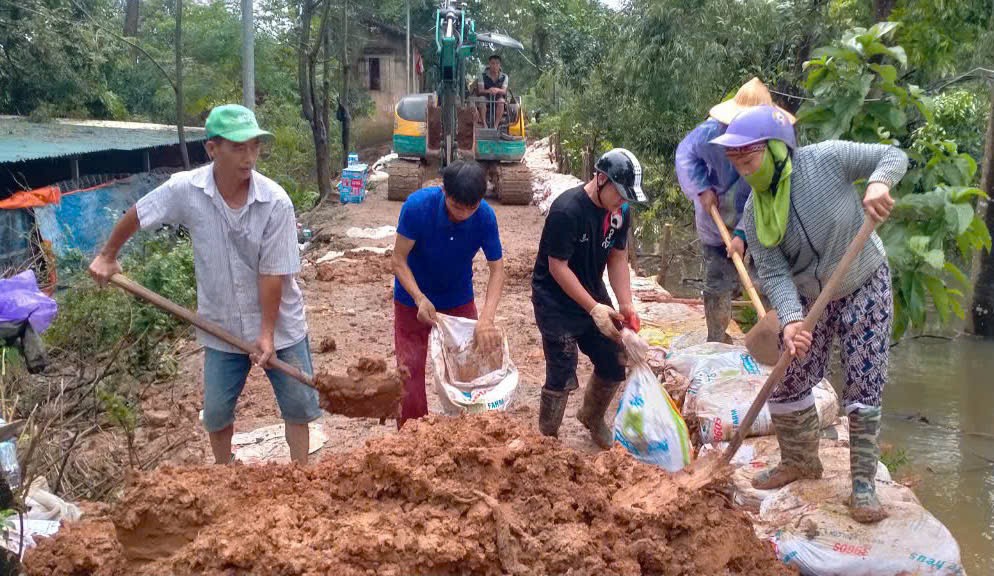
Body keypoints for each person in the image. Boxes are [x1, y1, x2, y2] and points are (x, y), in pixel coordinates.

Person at [88, 104, 321, 465]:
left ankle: (302, 475)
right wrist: (107, 255)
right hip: (220, 324)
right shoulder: (186, 189)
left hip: (280, 324)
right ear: (212, 149)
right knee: (216, 413)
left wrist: (266, 334)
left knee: (298, 406)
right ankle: (224, 474)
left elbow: (273, 274)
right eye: (238, 147)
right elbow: (140, 212)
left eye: (255, 146)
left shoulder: (275, 202)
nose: (249, 157)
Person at [710, 105, 907, 523]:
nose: (744, 171)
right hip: (809, 297)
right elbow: (774, 271)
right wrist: (791, 320)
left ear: (776, 148)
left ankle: (863, 485)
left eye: (748, 159)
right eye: (736, 163)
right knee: (789, 376)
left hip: (863, 280)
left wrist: (878, 183)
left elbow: (893, 155)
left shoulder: (827, 160)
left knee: (863, 380)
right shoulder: (755, 213)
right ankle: (799, 461)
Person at [531, 148, 647, 448]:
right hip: (554, 298)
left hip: (592, 290)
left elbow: (618, 257)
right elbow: (557, 267)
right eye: (619, 193)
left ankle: (592, 417)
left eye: (627, 197)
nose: (622, 201)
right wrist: (594, 308)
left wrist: (625, 303)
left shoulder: (620, 212)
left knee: (614, 358)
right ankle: (547, 438)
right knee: (562, 367)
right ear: (601, 179)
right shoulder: (567, 211)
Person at [676, 78, 794, 342]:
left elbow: (768, 192)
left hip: (764, 218)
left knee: (769, 277)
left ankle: (777, 336)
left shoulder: (776, 145)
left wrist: (742, 233)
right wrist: (702, 188)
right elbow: (685, 156)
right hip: (716, 215)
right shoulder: (710, 133)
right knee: (718, 279)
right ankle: (717, 337)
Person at [391, 161, 505, 428]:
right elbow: (398, 260)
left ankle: (469, 431)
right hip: (413, 300)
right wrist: (419, 297)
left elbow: (497, 270)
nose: (464, 215)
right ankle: (412, 434)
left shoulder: (485, 216)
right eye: (457, 207)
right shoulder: (417, 207)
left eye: (471, 208)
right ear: (444, 191)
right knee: (409, 371)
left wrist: (486, 319)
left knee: (470, 367)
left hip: (458, 298)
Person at [477, 54, 509, 129]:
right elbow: (480, 90)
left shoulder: (505, 76)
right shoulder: (482, 75)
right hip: (486, 97)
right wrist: (489, 91)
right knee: (481, 99)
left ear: (500, 65)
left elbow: (504, 91)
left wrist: (497, 90)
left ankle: (495, 125)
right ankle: (484, 124)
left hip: (498, 98)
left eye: (497, 63)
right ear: (489, 64)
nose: (495, 66)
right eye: (493, 63)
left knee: (501, 101)